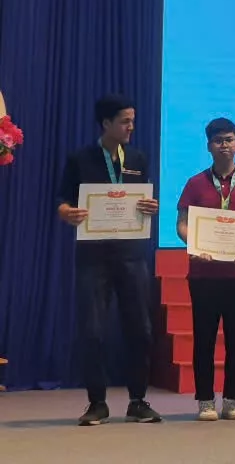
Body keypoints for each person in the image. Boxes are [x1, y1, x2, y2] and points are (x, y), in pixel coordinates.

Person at [57, 94, 163, 425]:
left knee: (140, 329)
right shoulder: (80, 158)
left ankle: (138, 400)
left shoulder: (138, 158)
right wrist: (68, 213)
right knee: (93, 331)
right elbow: (63, 200)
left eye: (133, 121)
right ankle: (97, 403)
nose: (131, 127)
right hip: (93, 257)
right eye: (125, 121)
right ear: (106, 124)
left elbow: (144, 199)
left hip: (131, 255)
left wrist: (151, 207)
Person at [176, 117, 235, 421]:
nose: (224, 145)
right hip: (204, 274)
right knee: (203, 338)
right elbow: (182, 224)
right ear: (209, 146)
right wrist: (195, 245)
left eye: (229, 140)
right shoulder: (195, 183)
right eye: (218, 141)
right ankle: (205, 400)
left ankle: (232, 400)